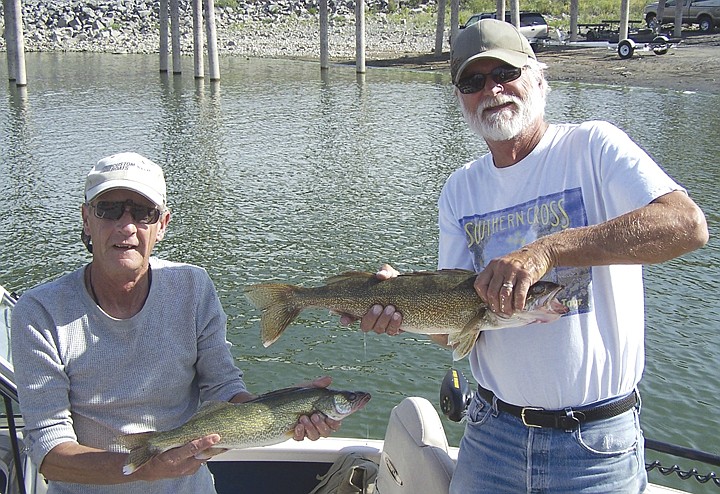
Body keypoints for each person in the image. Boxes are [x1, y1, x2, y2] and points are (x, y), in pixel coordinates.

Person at [346, 19, 709, 493]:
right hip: (490, 435)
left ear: (538, 78)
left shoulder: (594, 148)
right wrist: (396, 305)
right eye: (472, 81)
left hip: (595, 446)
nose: (491, 90)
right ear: (459, 98)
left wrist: (548, 250)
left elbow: (687, 226)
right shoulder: (461, 189)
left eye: (505, 73)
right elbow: (454, 327)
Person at [11, 152, 342, 493]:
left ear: (163, 225)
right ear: (86, 219)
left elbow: (222, 388)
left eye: (143, 213)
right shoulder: (40, 311)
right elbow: (50, 453)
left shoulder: (192, 287)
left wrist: (288, 407)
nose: (126, 227)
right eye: (109, 209)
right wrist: (143, 469)